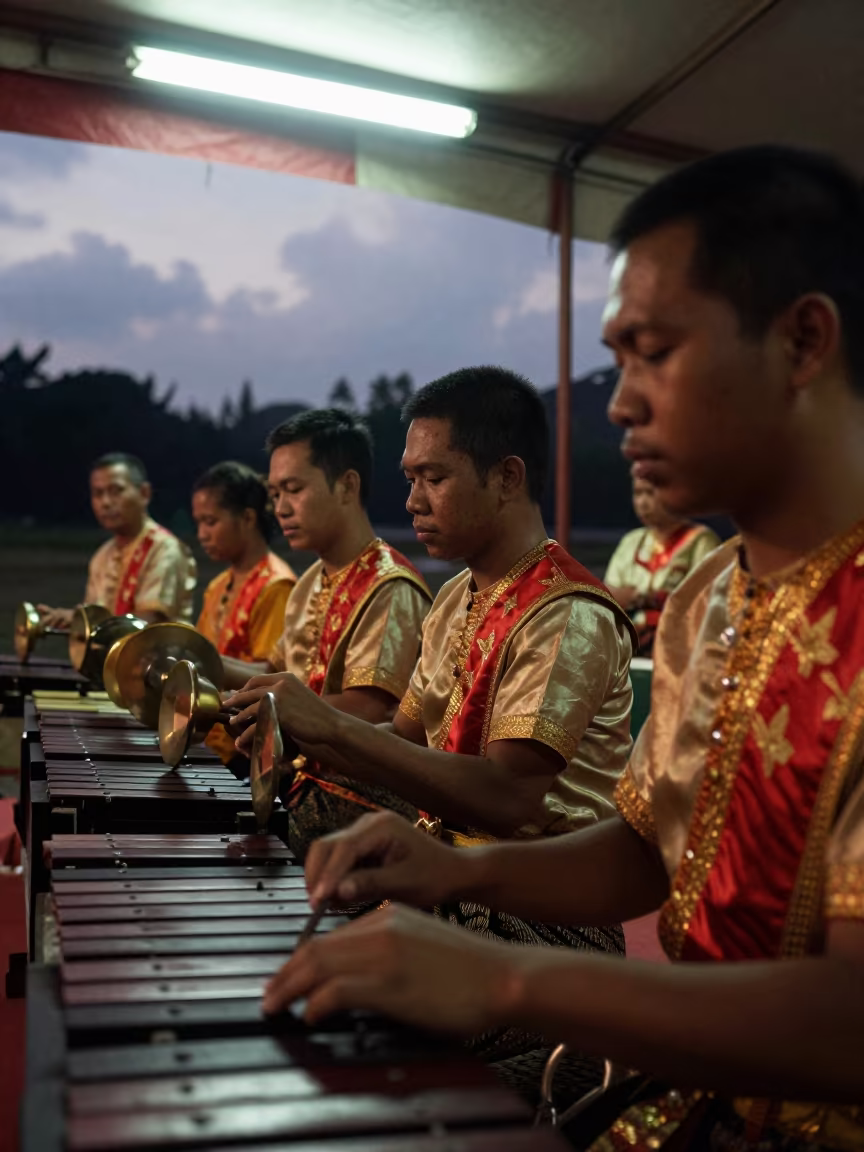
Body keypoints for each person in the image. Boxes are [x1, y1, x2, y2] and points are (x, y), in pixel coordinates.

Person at [256, 146, 864, 1151]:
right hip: (700, 1086)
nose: (620, 401)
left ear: (803, 341)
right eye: (617, 357)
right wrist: (451, 876)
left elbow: (850, 1022)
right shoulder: (711, 596)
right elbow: (643, 850)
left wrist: (503, 970)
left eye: (653, 352)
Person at [228, 367, 637, 1092]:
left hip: (542, 919)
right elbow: (405, 742)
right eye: (410, 478)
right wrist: (301, 733)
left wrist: (327, 726)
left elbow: (506, 798)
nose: (412, 500)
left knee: (344, 1052)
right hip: (451, 888)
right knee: (272, 991)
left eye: (434, 478)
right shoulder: (455, 599)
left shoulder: (568, 613)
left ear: (507, 477)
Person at [232, 408, 433, 849]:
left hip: (359, 798)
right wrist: (203, 665)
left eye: (294, 489)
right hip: (303, 778)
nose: (280, 507)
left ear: (347, 485)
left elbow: (370, 711)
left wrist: (260, 711)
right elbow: (276, 672)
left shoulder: (390, 586)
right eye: (275, 493)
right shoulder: (310, 582)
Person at [192, 461, 296, 764]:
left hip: (243, 753)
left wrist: (200, 663)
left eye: (210, 522)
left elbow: (271, 676)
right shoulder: (218, 585)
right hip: (207, 743)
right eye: (199, 523)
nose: (201, 534)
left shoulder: (276, 586)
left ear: (248, 518)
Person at [38, 452, 196, 628]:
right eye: (98, 494)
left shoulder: (164, 549)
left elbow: (145, 623)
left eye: (115, 491)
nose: (105, 502)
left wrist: (82, 621)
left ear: (144, 494)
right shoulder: (102, 556)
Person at [605, 477, 720, 654]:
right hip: (628, 646)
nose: (642, 502)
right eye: (638, 493)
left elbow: (705, 601)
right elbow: (609, 595)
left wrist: (640, 597)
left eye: (650, 493)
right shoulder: (632, 541)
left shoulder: (701, 541)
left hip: (679, 650)